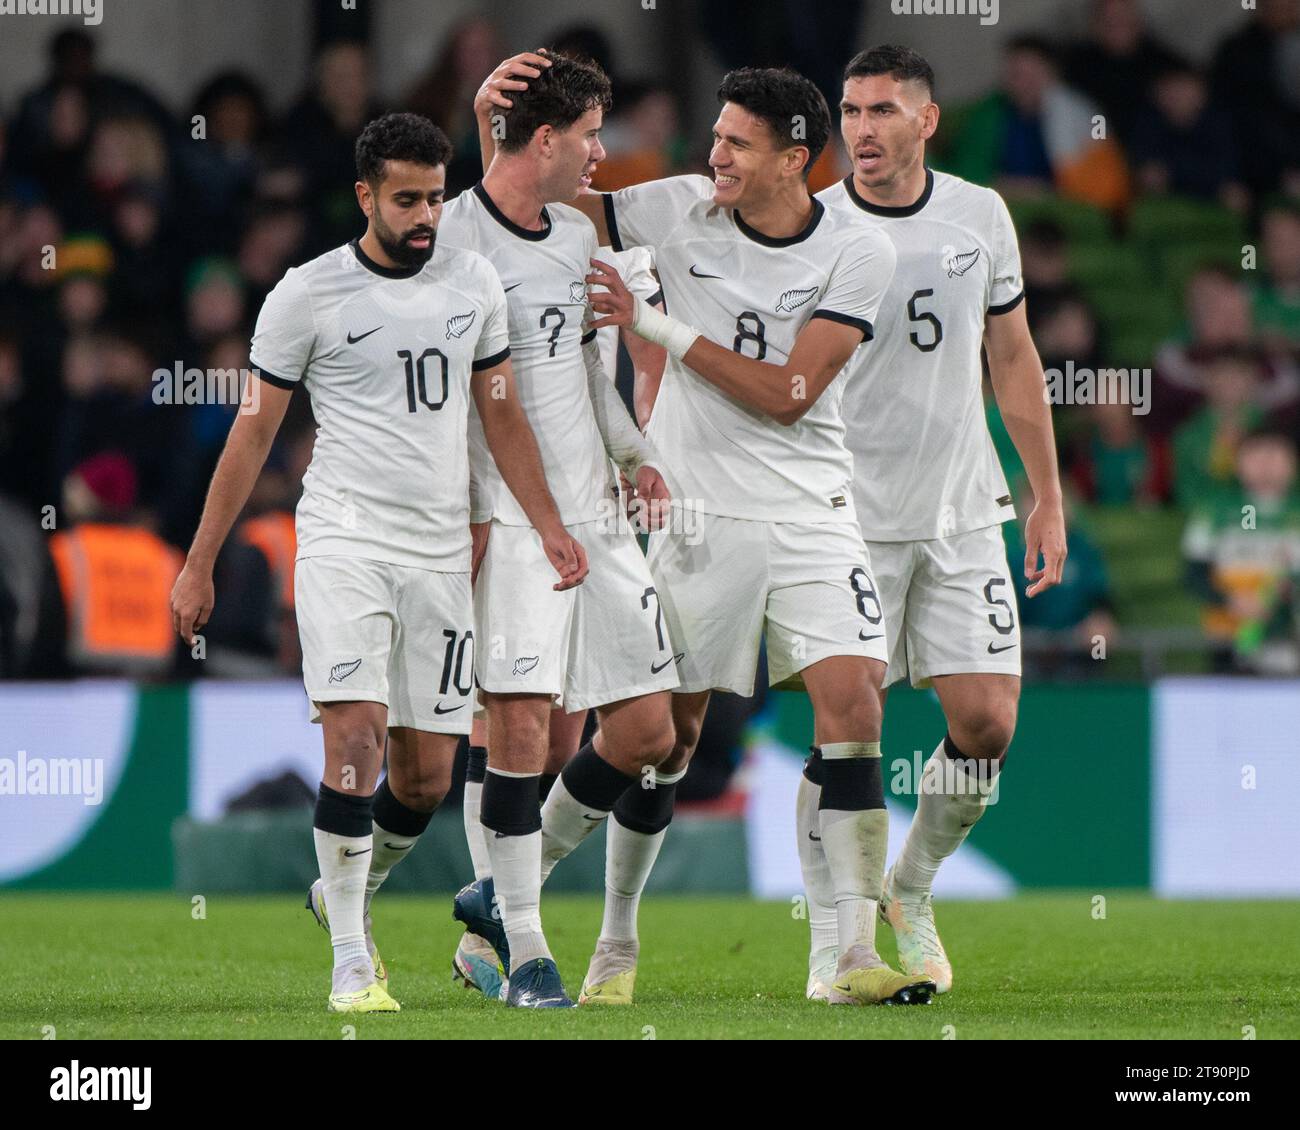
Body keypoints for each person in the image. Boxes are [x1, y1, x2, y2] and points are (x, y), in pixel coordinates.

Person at [486, 55, 933, 1007]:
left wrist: (655, 325)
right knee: (657, 743)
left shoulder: (857, 252)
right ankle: (547, 912)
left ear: (793, 159)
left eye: (736, 141)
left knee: (855, 711)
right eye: (717, 135)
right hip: (696, 514)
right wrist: (495, 122)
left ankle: (850, 955)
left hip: (813, 510)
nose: (715, 153)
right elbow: (540, 198)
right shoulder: (678, 205)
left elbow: (791, 394)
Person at [169, 111, 585, 1014]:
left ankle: (339, 894)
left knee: (427, 778)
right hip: (345, 543)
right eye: (407, 199)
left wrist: (547, 524)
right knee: (352, 740)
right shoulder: (307, 294)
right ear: (365, 197)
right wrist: (198, 564)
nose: (427, 213)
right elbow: (251, 436)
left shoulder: (474, 282)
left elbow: (502, 414)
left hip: (440, 555)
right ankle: (353, 960)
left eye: (437, 195)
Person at [811, 45, 1067, 997]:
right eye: (849, 110)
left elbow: (1013, 356)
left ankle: (908, 890)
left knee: (987, 721)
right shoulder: (816, 225)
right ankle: (837, 946)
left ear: (926, 121)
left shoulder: (980, 214)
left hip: (961, 511)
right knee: (849, 726)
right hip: (846, 519)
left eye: (881, 111)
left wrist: (1044, 493)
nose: (861, 129)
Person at [441, 51, 678, 1010]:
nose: (599, 153)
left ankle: (502, 890)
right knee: (519, 726)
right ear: (544, 137)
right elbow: (448, 397)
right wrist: (466, 515)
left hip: (593, 513)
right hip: (507, 513)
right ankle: (531, 957)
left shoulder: (578, 237)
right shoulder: (454, 239)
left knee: (647, 729)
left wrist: (630, 454)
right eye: (587, 135)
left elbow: (584, 372)